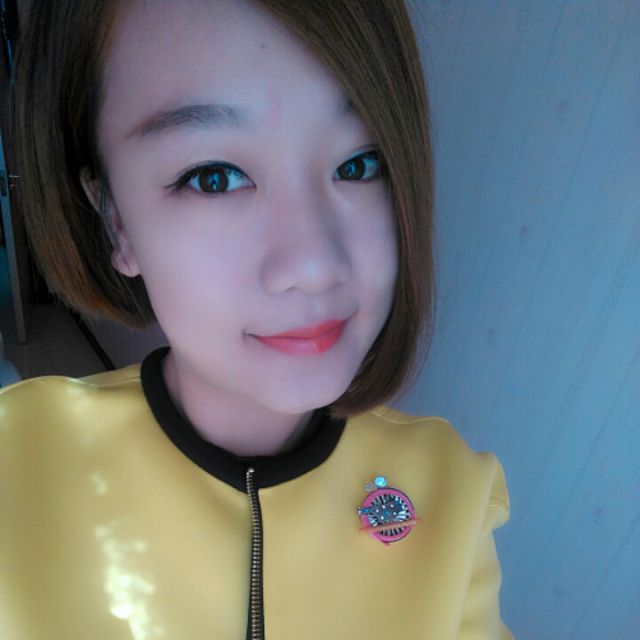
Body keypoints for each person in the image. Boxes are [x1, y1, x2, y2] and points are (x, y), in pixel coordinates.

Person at [0, 1, 512, 638]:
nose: (314, 264)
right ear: (115, 222)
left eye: (359, 164)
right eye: (214, 177)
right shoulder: (15, 466)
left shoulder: (457, 495)